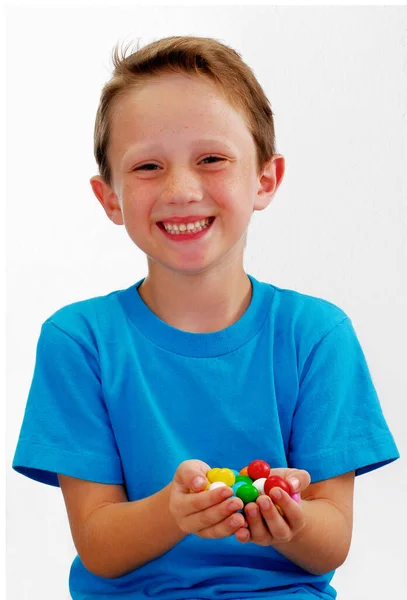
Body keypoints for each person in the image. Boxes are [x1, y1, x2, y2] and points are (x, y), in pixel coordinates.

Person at [12, 35, 399, 600]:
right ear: (110, 198)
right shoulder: (80, 341)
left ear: (265, 178)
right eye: (147, 166)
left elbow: (332, 539)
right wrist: (175, 512)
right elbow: (98, 542)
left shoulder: (316, 336)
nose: (181, 189)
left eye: (211, 159)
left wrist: (290, 518)